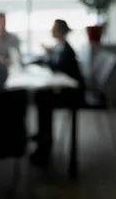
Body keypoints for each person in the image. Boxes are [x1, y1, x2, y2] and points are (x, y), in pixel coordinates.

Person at [30, 19, 86, 165]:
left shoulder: (66, 49)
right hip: (66, 90)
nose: (51, 31)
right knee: (40, 96)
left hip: (73, 94)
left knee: (43, 98)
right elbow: (53, 61)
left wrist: (47, 57)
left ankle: (45, 145)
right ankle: (43, 137)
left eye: (54, 28)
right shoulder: (60, 47)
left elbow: (57, 65)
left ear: (60, 31)